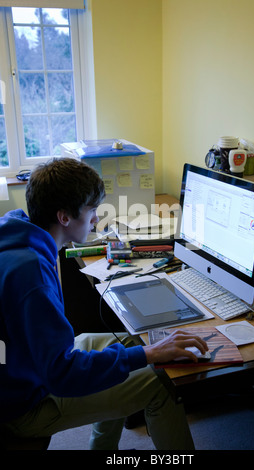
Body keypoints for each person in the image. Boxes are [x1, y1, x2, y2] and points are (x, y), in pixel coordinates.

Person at [0, 157, 208, 450]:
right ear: (64, 217)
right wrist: (148, 355)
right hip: (25, 404)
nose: (97, 219)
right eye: (92, 210)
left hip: (25, 368)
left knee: (127, 342)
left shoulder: (17, 231)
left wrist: (143, 352)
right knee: (161, 384)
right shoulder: (32, 273)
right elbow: (62, 374)